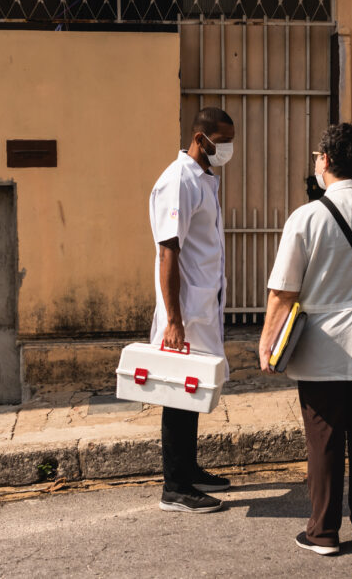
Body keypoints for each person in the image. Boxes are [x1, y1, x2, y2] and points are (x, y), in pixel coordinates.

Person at [258, 122, 352, 555]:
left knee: (324, 437)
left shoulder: (306, 217)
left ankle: (323, 532)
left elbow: (283, 292)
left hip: (325, 341)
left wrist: (268, 342)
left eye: (319, 157)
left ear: (324, 161)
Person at [149, 106, 235, 513]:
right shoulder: (178, 181)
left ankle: (190, 469)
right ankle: (175, 488)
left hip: (202, 302)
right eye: (223, 140)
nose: (228, 148)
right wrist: (173, 320)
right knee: (179, 391)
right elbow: (169, 250)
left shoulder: (203, 178)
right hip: (185, 309)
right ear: (200, 139)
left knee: (194, 388)